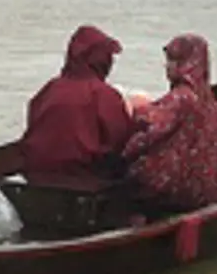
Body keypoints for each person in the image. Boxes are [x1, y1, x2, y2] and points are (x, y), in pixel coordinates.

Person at [121, 34, 217, 212]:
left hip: (180, 188)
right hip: (207, 185)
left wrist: (123, 154)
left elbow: (148, 135)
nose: (167, 66)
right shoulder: (208, 99)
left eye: (173, 60)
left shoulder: (181, 98)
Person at [18, 26, 134, 183]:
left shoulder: (49, 89)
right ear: (99, 59)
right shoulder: (103, 94)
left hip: (37, 176)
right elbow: (121, 139)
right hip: (84, 177)